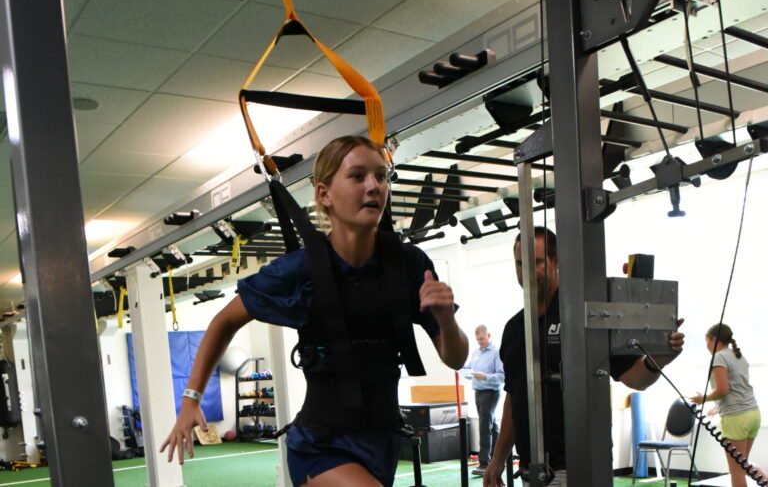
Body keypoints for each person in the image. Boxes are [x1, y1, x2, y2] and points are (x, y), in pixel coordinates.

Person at [160, 135, 469, 487]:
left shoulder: (410, 264)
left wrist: (446, 318)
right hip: (321, 444)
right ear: (324, 194)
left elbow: (456, 358)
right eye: (357, 176)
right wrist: (191, 399)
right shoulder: (299, 270)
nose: (374, 186)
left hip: (382, 441)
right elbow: (223, 321)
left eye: (381, 176)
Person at [484, 227, 685, 487]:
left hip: (577, 467)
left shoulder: (584, 318)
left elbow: (636, 379)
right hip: (531, 470)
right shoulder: (514, 328)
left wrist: (656, 360)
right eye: (520, 264)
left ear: (556, 262)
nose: (527, 272)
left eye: (536, 263)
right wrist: (498, 459)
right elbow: (515, 396)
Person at [691, 324, 762, 487]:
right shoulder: (738, 356)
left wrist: (703, 399)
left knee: (736, 470)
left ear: (714, 340)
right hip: (752, 414)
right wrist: (717, 407)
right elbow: (737, 387)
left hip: (736, 417)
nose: (706, 346)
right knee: (743, 464)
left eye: (706, 341)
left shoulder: (719, 357)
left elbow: (723, 389)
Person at [462, 325, 504, 476]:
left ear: (489, 335)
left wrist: (486, 376)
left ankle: (484, 463)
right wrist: (460, 367)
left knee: (484, 425)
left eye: (482, 338)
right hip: (478, 392)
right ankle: (499, 456)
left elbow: (502, 375)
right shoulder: (475, 353)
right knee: (491, 425)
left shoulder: (496, 353)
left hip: (491, 392)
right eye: (478, 339)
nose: (480, 342)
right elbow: (468, 370)